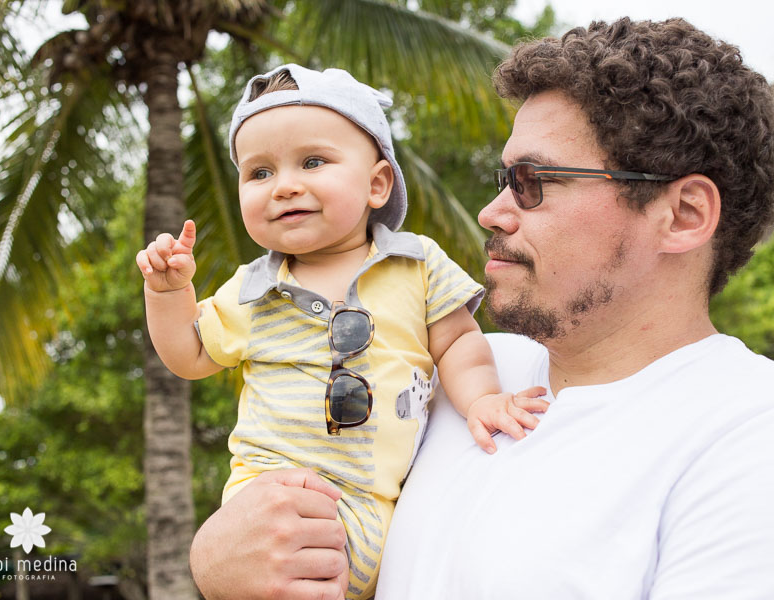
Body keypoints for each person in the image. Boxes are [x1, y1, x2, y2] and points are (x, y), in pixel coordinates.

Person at [188, 18, 774, 600]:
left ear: (682, 215)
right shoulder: (455, 376)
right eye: (504, 180)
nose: (490, 211)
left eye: (534, 183)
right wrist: (216, 562)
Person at [136, 64, 548, 599]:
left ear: (377, 183)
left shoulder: (415, 262)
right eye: (259, 173)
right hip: (272, 500)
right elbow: (188, 355)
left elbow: (458, 341)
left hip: (377, 507)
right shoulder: (253, 288)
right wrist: (168, 295)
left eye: (312, 162)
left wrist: (484, 398)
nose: (284, 186)